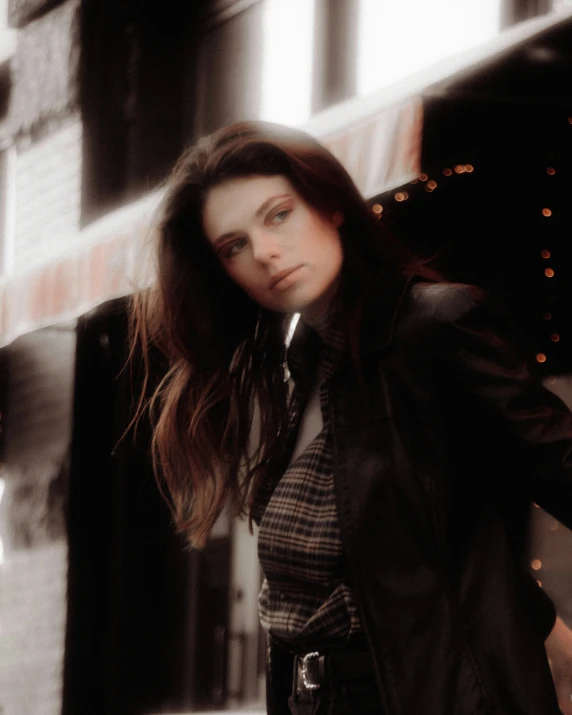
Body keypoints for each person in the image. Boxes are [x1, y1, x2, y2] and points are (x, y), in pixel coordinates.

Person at [130, 120, 572, 714]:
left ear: (331, 204)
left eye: (278, 214)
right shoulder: (301, 375)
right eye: (233, 246)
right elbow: (420, 545)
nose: (264, 253)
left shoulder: (431, 328)